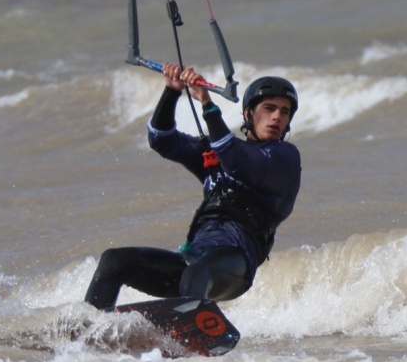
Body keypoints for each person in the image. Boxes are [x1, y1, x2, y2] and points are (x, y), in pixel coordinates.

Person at [84, 63, 301, 309]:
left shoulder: (284, 156)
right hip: (194, 260)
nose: (277, 117)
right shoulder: (219, 150)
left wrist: (208, 105)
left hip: (235, 264)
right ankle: (89, 331)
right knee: (114, 260)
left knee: (196, 273)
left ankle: (186, 333)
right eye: (269, 108)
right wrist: (172, 91)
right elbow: (161, 139)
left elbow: (239, 163)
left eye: (285, 112)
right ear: (249, 114)